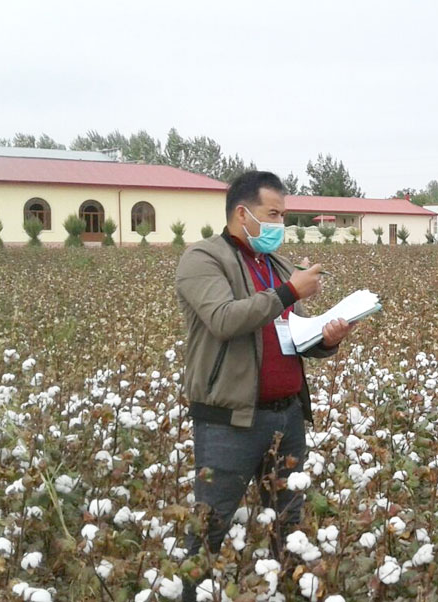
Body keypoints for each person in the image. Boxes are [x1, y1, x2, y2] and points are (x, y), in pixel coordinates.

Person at [175, 171, 353, 600]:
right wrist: (289, 292)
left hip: (287, 417)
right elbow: (224, 319)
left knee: (288, 527)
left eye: (283, 215)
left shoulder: (274, 263)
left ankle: (285, 592)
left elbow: (289, 334)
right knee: (210, 528)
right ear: (242, 213)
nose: (279, 224)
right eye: (272, 213)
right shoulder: (203, 259)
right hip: (229, 423)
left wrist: (325, 341)